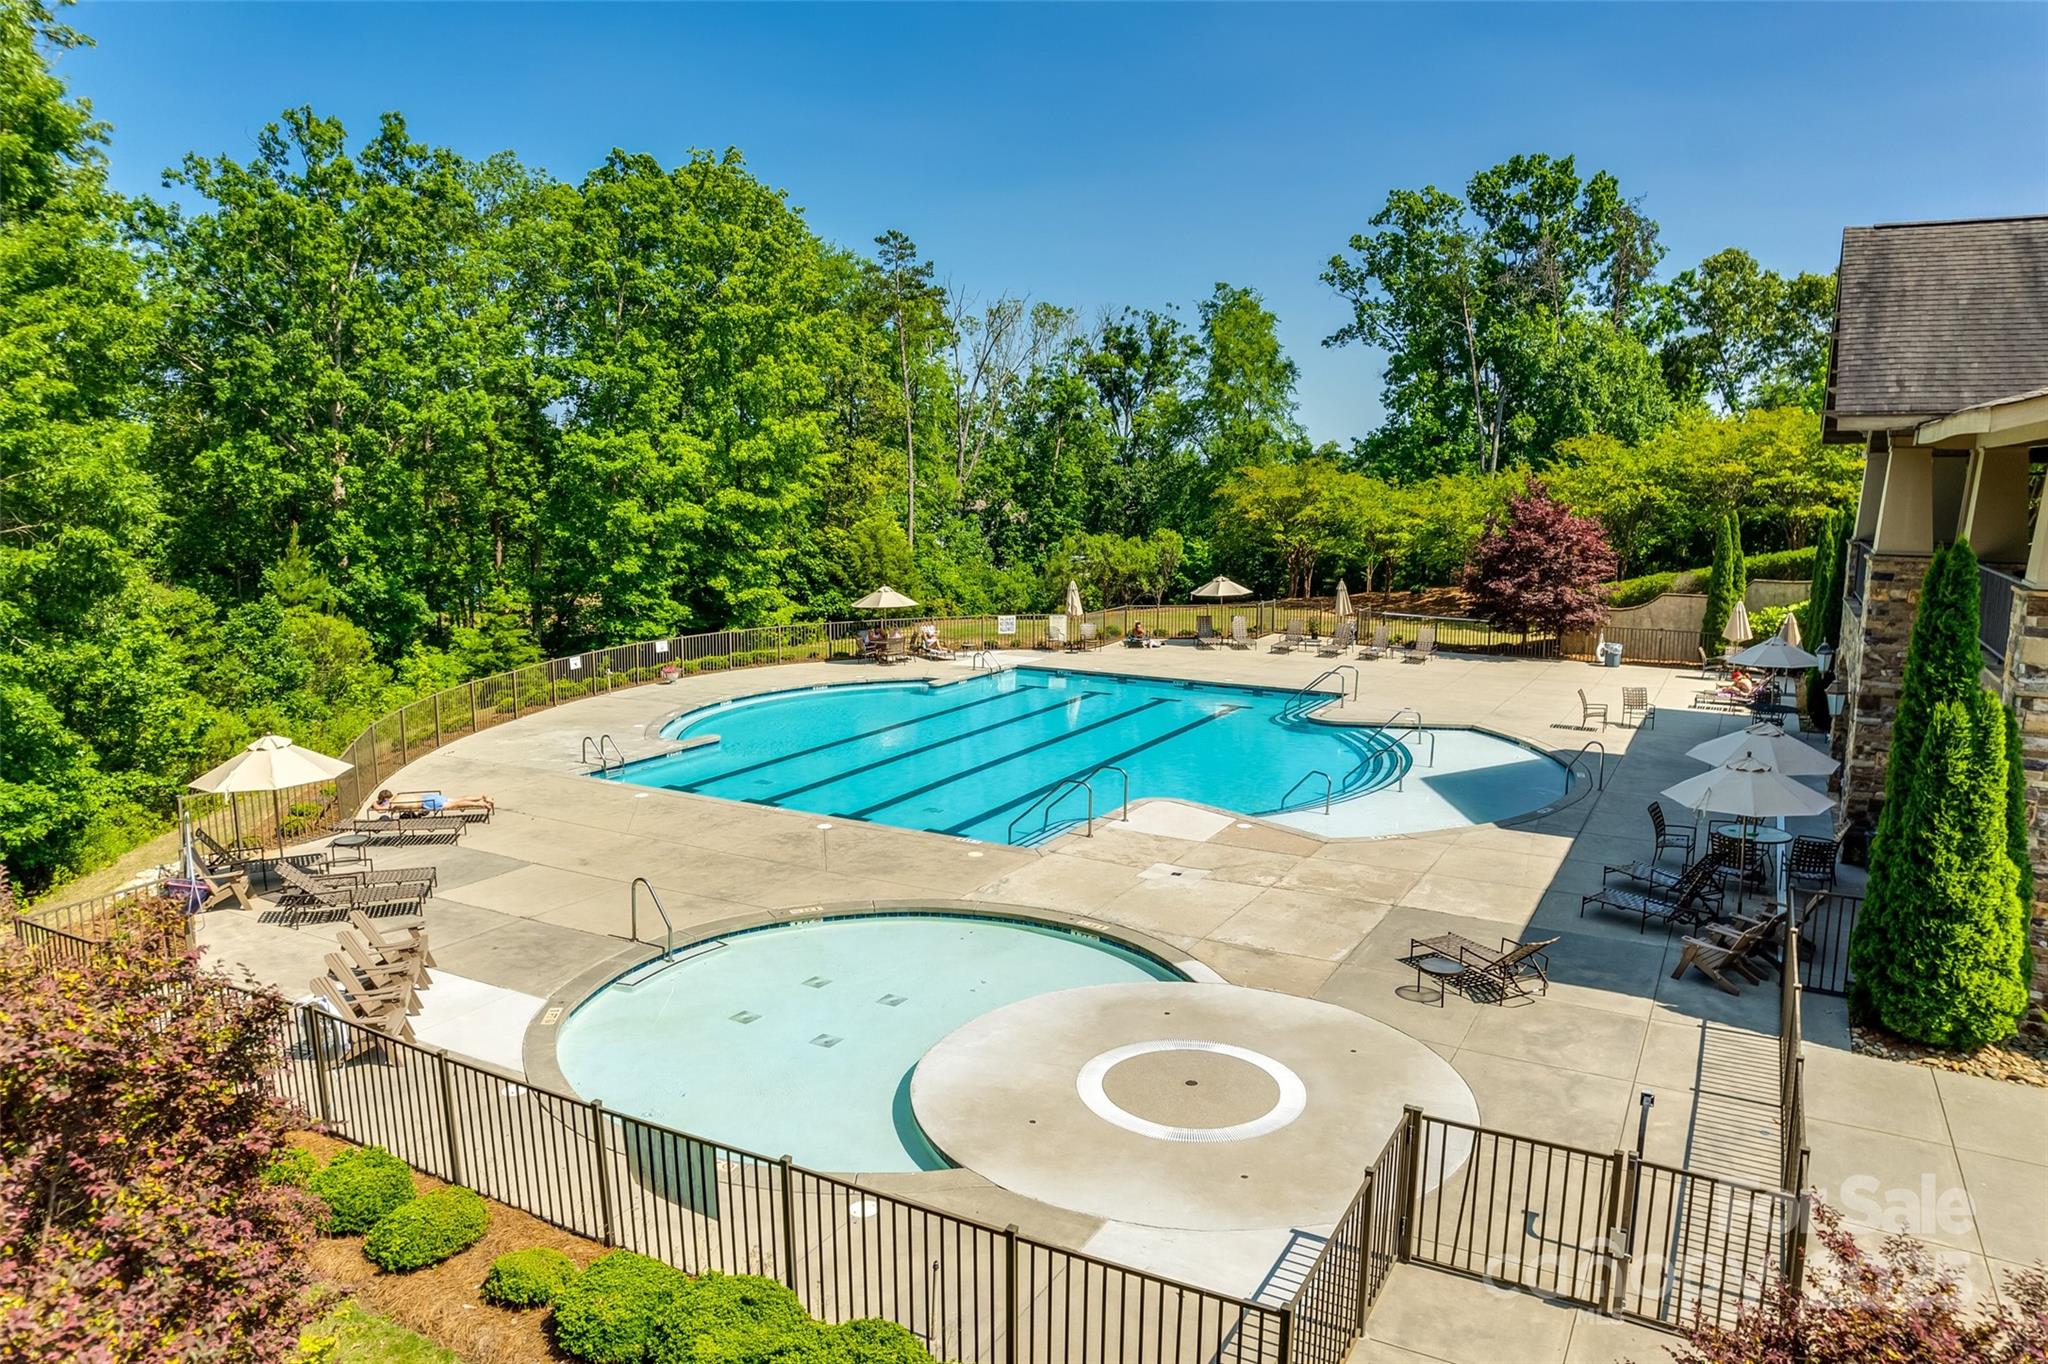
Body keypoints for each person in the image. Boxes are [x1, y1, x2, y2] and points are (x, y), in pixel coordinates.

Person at [374, 788, 494, 816]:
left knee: (456, 804)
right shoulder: (397, 796)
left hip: (428, 803)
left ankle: (481, 803)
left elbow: (380, 810)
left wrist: (375, 803)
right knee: (458, 799)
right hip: (428, 797)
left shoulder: (392, 803)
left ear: (385, 799)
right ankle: (480, 797)